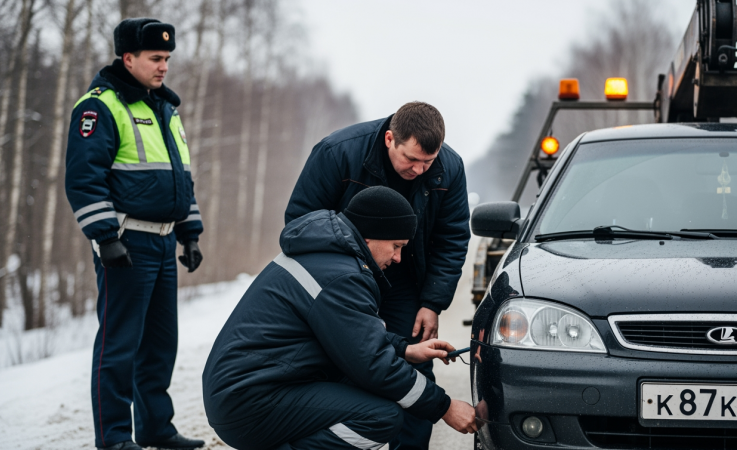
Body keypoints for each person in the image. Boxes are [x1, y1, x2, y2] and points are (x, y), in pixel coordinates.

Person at [203, 187, 477, 450]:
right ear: (371, 235)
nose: (397, 258)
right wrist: (445, 406)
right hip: (249, 404)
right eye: (396, 246)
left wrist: (405, 349)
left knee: (371, 391)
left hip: (242, 392)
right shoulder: (343, 276)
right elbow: (373, 364)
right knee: (380, 416)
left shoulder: (326, 255)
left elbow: (352, 336)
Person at [284, 102, 470, 449]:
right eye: (411, 160)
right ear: (389, 139)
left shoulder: (450, 168)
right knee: (341, 366)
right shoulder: (337, 153)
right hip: (342, 279)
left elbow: (452, 238)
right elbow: (300, 224)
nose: (419, 169)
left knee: (412, 363)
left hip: (404, 280)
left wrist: (432, 302)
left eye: (428, 162)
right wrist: (340, 272)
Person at [64, 18, 205, 450]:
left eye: (167, 58)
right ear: (128, 58)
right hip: (126, 243)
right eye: (155, 58)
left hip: (163, 243)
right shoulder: (99, 107)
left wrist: (190, 232)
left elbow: (180, 178)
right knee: (119, 344)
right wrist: (105, 237)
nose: (164, 66)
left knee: (161, 344)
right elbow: (83, 179)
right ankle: (113, 438)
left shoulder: (164, 109)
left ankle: (155, 428)